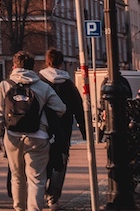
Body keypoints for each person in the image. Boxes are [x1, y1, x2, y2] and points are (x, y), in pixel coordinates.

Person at [0, 51, 66, 211]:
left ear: (15, 66)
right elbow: (61, 108)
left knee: (17, 177)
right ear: (32, 67)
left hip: (12, 136)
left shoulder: (4, 86)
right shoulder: (42, 86)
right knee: (37, 179)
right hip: (38, 137)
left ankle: (19, 208)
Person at [39, 48, 86, 211]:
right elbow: (79, 108)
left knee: (41, 162)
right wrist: (85, 132)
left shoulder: (40, 81)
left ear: (47, 61)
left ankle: (38, 193)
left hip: (42, 129)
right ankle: (53, 197)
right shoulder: (68, 84)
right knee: (60, 163)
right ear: (61, 63)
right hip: (63, 130)